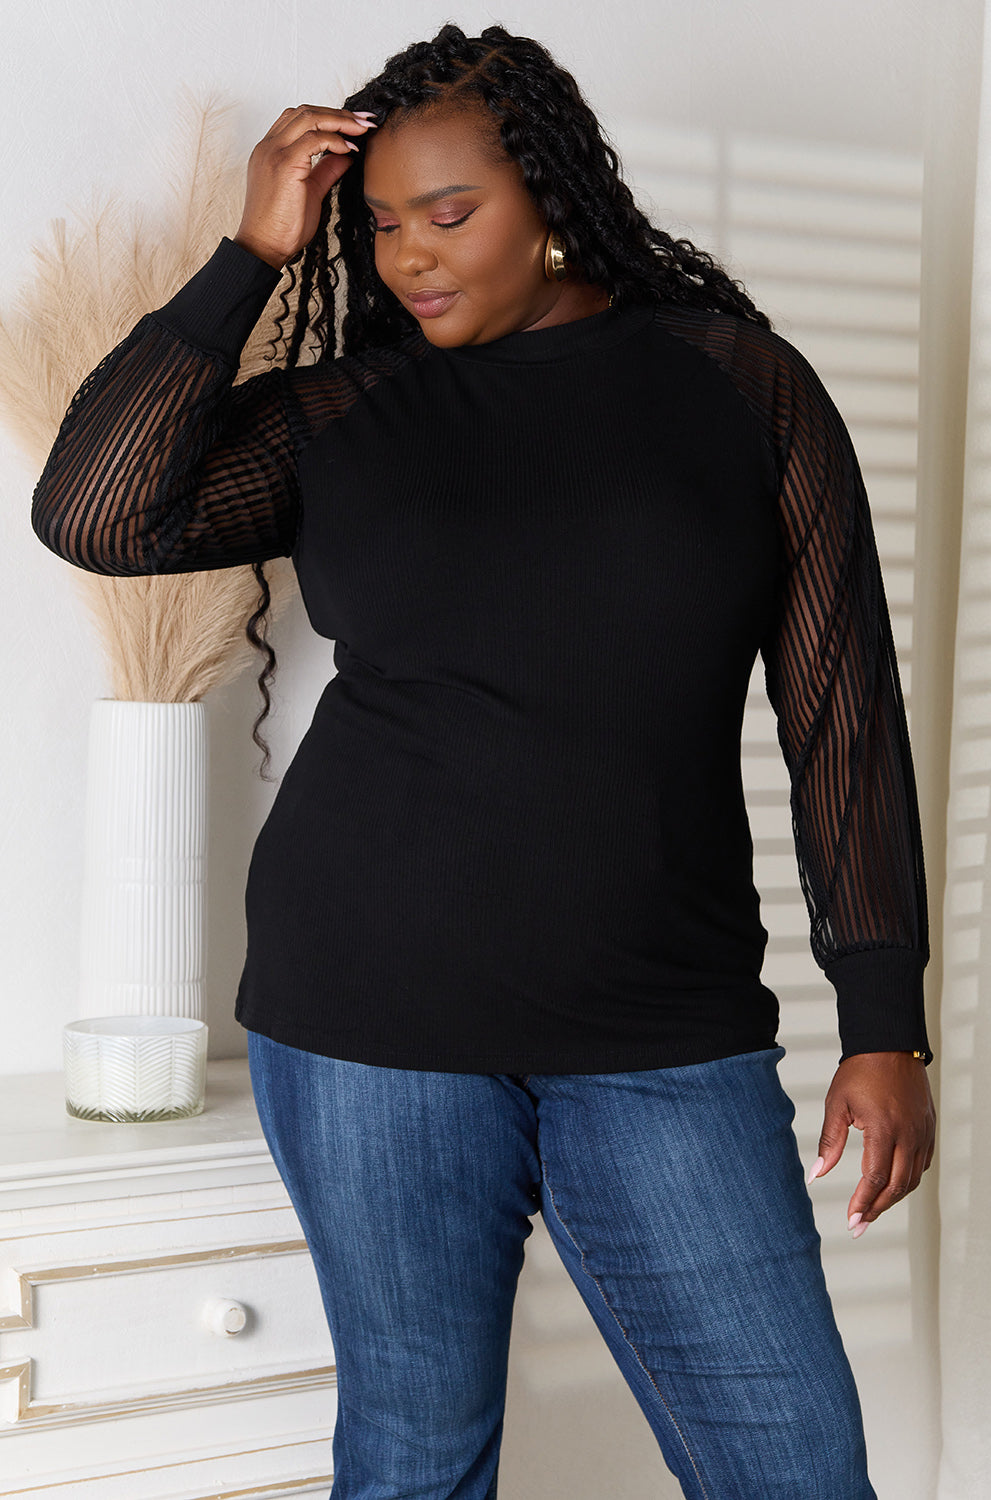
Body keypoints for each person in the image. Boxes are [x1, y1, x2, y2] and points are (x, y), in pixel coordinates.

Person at [31, 22, 936, 1500]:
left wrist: (884, 1017)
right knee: (415, 1463)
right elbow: (100, 513)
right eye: (381, 225)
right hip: (368, 1013)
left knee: (795, 1466)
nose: (408, 258)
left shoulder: (739, 387)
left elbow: (841, 704)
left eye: (451, 216)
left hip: (662, 1028)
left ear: (558, 206)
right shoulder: (346, 414)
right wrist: (250, 255)